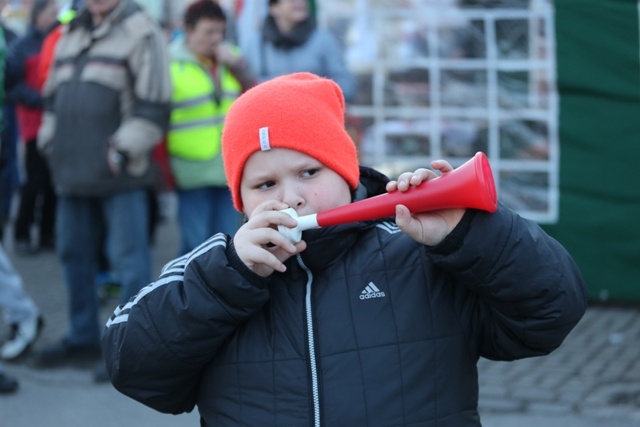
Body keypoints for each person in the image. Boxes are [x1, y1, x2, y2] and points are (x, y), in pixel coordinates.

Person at [102, 72, 587, 426]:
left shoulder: (418, 254)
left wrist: (467, 235)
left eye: (309, 173)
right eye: (264, 183)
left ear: (346, 172)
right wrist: (228, 277)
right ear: (241, 200)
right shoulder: (216, 269)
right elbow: (135, 369)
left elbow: (551, 313)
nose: (288, 197)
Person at [33, 0, 171, 372]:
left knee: (129, 263)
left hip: (119, 174)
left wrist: (123, 150)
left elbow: (155, 103)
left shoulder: (142, 29)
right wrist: (49, 142)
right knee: (72, 254)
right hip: (71, 173)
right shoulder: (71, 31)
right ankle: (82, 338)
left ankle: (131, 348)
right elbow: (51, 97)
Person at [167, 0, 254, 255]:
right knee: (196, 246)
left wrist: (237, 66)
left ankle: (221, 293)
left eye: (220, 32)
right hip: (190, 168)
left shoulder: (231, 58)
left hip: (227, 166)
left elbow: (254, 97)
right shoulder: (170, 63)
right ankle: (189, 292)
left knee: (228, 243)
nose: (216, 39)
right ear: (188, 30)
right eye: (209, 32)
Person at [5, 0, 59, 255]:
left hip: (57, 122)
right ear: (37, 16)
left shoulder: (60, 39)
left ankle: (48, 233)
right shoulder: (21, 45)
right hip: (33, 123)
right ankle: (22, 234)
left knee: (52, 183)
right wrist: (37, 99)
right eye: (50, 13)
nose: (54, 17)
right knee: (34, 181)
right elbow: (11, 85)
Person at [240, 0, 356, 102]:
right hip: (268, 120)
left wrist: (311, 94)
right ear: (274, 7)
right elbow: (247, 87)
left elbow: (346, 86)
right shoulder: (256, 44)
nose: (300, 2)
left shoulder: (324, 41)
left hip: (312, 119)